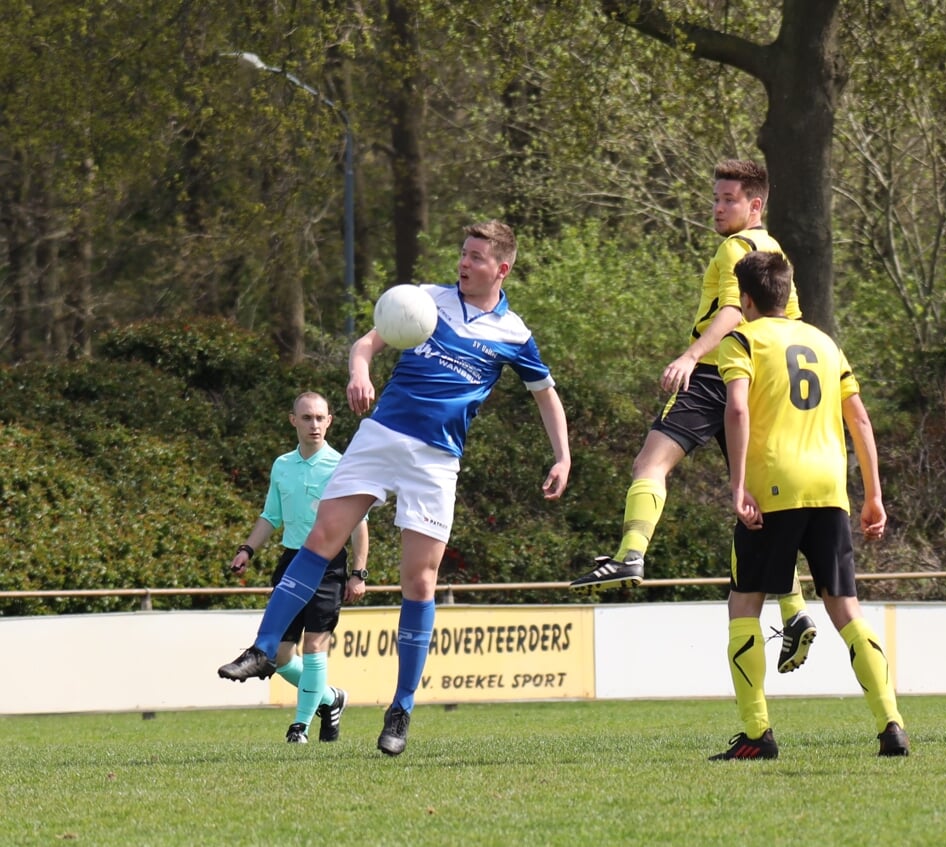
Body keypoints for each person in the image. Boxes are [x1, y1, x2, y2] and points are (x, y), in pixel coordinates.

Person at [219, 220, 572, 757]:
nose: (464, 262)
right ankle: (265, 647)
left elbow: (546, 395)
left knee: (420, 581)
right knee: (321, 536)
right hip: (381, 435)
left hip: (435, 460)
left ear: (501, 269)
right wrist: (360, 371)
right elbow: (367, 342)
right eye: (462, 252)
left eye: (476, 257)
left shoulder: (515, 334)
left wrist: (563, 455)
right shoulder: (423, 300)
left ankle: (401, 707)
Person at [570, 159, 818, 674]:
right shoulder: (776, 252)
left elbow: (731, 313)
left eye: (729, 199)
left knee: (649, 463)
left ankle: (631, 552)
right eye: (716, 198)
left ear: (756, 205)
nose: (719, 207)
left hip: (717, 370)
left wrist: (690, 356)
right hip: (765, 377)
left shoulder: (735, 248)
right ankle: (794, 612)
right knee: (754, 506)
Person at [709, 251, 907, 760]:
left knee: (744, 605)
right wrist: (874, 494)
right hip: (830, 489)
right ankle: (891, 723)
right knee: (847, 611)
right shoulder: (824, 342)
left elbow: (735, 407)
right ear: (787, 292)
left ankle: (758, 734)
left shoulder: (741, 340)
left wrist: (737, 485)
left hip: (774, 486)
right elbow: (860, 421)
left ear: (745, 299)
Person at [228, 392, 369, 743]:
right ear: (293, 420)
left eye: (320, 418)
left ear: (330, 420)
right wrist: (247, 549)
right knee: (278, 654)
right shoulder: (282, 465)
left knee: (315, 646)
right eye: (307, 418)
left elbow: (359, 524)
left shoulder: (342, 466)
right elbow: (270, 516)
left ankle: (299, 727)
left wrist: (358, 573)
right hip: (292, 561)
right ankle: (330, 699)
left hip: (328, 565)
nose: (314, 425)